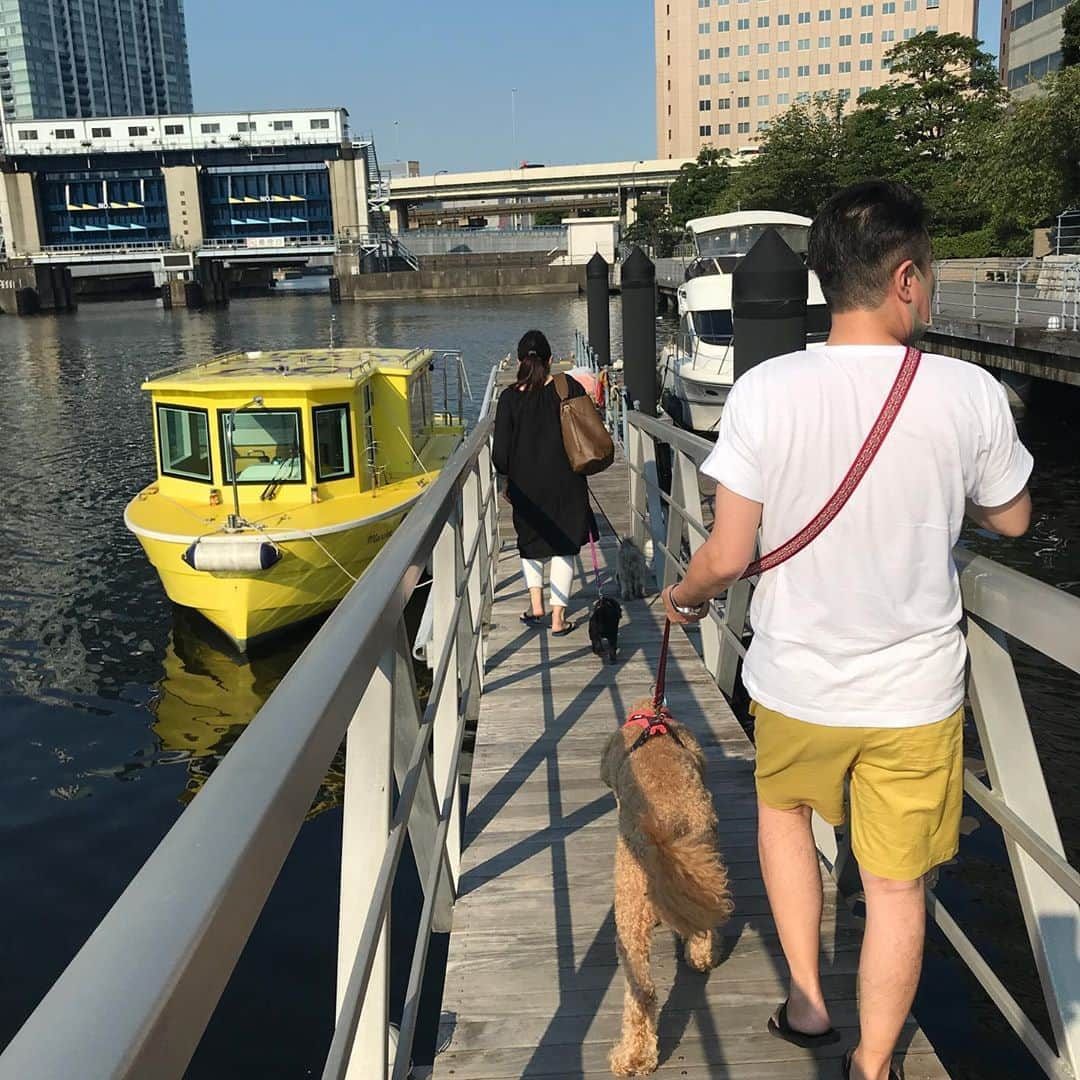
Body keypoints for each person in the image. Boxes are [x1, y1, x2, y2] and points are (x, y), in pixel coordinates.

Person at [661, 180, 1033, 1080]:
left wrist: (683, 596)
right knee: (899, 885)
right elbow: (1013, 519)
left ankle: (808, 1003)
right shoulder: (968, 391)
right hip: (916, 694)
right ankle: (875, 1063)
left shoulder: (765, 390)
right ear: (906, 277)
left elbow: (731, 550)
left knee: (784, 822)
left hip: (797, 681)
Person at [493, 329, 593, 636]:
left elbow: (500, 455)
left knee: (532, 544)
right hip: (567, 482)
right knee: (564, 546)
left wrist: (507, 479)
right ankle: (558, 619)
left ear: (521, 361)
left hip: (526, 487)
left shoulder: (509, 398)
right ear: (550, 360)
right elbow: (587, 426)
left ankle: (536, 606)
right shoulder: (567, 386)